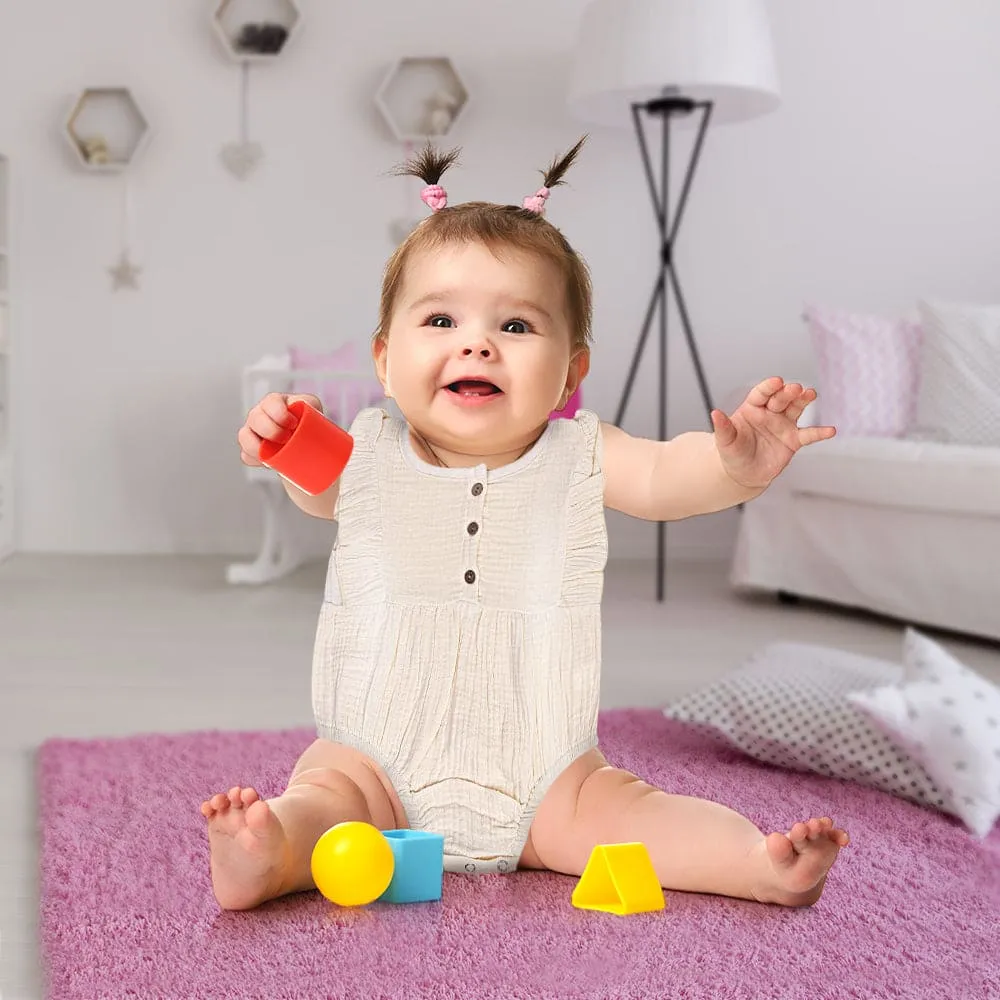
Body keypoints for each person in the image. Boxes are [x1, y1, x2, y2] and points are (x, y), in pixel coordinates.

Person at [203, 137, 849, 912]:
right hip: (375, 766)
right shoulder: (367, 451)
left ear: (572, 373)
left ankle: (754, 862)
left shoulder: (582, 453)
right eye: (440, 318)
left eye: (516, 327)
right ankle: (265, 854)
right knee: (324, 803)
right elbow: (317, 488)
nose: (476, 341)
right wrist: (279, 438)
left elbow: (665, 474)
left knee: (632, 815)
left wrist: (734, 467)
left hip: (548, 778)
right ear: (384, 359)